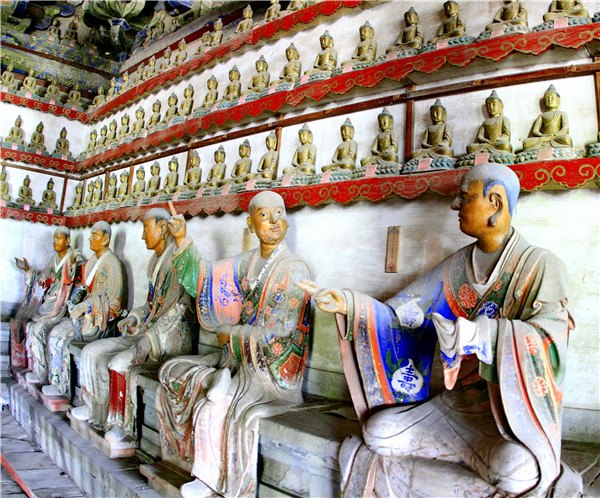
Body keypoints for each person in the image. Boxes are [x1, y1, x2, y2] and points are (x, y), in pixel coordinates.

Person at [298, 163, 581, 497]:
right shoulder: (457, 265)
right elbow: (403, 312)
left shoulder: (541, 267)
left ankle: (479, 456)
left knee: (518, 470)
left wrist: (483, 334)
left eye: (465, 196)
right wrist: (350, 303)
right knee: (378, 431)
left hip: (504, 422)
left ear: (496, 202)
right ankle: (468, 456)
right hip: (451, 408)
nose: (455, 206)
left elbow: (550, 342)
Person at [156, 191, 311, 498]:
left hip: (271, 372)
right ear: (251, 224)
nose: (273, 222)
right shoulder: (248, 262)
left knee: (215, 408)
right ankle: (183, 456)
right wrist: (183, 240)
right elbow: (206, 277)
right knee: (175, 372)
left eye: (279, 214)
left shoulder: (293, 269)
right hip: (238, 359)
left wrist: (234, 335)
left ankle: (212, 480)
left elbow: (284, 330)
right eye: (264, 216)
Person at [72, 209, 195, 444]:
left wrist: (151, 336)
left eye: (146, 228)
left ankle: (121, 426)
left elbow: (181, 311)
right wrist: (136, 318)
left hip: (169, 338)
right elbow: (151, 304)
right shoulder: (154, 263)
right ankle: (95, 409)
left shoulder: (177, 261)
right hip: (148, 330)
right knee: (92, 352)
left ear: (162, 228)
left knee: (118, 363)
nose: (142, 236)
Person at [39, 222, 125, 398]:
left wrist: (89, 306)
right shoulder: (93, 260)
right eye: (91, 234)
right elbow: (82, 288)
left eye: (95, 235)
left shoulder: (113, 264)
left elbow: (116, 305)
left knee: (60, 336)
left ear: (106, 239)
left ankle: (64, 389)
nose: (90, 238)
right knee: (56, 331)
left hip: (99, 322)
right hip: (85, 316)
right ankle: (57, 381)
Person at [25, 228, 84, 384]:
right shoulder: (55, 260)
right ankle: (40, 371)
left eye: (59, 238)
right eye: (54, 238)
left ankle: (46, 376)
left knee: (39, 329)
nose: (55, 241)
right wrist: (28, 270)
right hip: (50, 304)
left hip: (63, 308)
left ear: (68, 240)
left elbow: (78, 288)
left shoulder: (75, 260)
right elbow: (43, 279)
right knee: (30, 326)